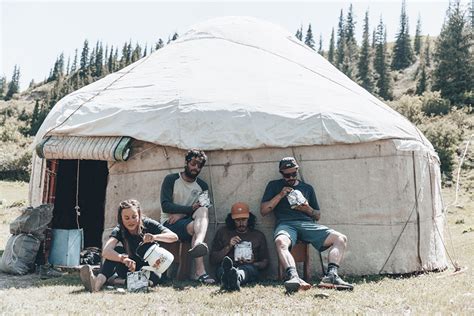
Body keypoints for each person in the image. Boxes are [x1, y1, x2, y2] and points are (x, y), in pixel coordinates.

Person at [260, 157, 354, 292]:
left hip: (307, 223)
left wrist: (306, 209)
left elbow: (317, 215)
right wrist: (280, 195)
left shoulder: (307, 188)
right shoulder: (274, 185)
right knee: (280, 241)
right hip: (286, 224)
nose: (291, 177)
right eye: (287, 175)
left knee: (340, 238)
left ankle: (331, 275)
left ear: (297, 171)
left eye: (293, 174)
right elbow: (263, 211)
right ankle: (293, 276)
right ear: (281, 173)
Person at [79, 199, 178, 292]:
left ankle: (115, 281)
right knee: (117, 250)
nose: (131, 221)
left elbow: (174, 237)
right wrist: (123, 259)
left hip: (150, 268)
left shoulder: (148, 223)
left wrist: (155, 237)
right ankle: (96, 284)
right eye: (126, 218)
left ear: (139, 215)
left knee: (155, 278)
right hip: (129, 267)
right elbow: (106, 251)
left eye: (134, 217)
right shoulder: (119, 230)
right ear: (121, 218)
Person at [160, 149, 215, 284]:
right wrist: (188, 210)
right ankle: (200, 272)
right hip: (169, 223)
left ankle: (198, 243)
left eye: (200, 165)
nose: (196, 167)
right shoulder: (171, 179)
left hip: (190, 223)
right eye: (193, 163)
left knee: (203, 211)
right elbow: (166, 205)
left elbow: (204, 206)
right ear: (186, 162)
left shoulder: (202, 185)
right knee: (195, 227)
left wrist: (183, 213)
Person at [210, 202, 269, 291]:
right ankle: (231, 279)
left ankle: (235, 278)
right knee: (223, 270)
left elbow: (265, 262)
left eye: (244, 219)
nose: (241, 223)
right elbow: (213, 260)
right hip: (226, 267)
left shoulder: (258, 235)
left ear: (249, 219)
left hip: (249, 267)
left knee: (247, 270)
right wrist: (228, 246)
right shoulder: (223, 232)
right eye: (237, 220)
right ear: (232, 220)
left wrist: (253, 262)